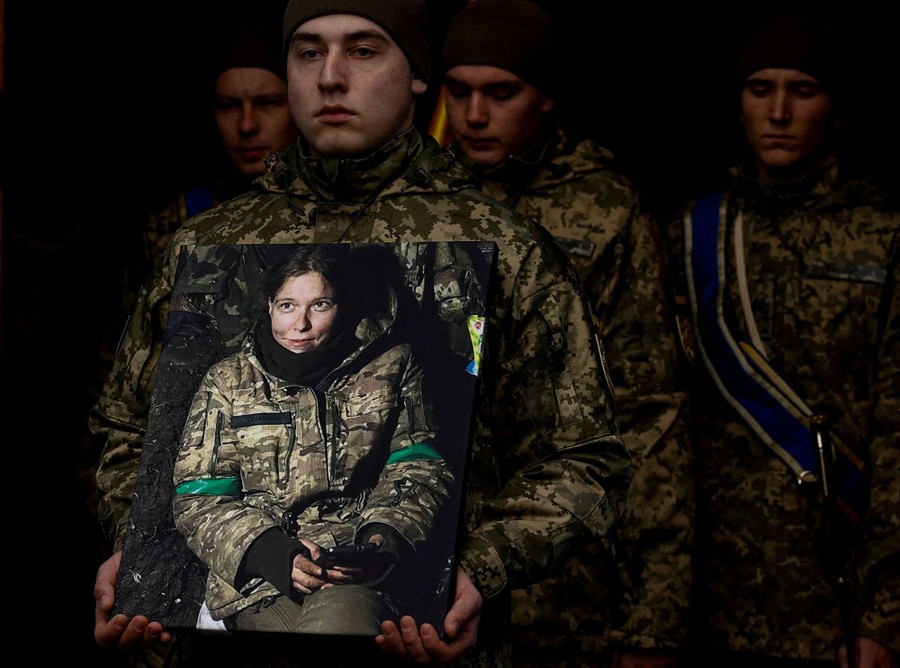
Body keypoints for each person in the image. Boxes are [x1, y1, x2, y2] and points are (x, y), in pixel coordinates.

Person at [91, 1, 633, 665]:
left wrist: (477, 570)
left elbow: (583, 457)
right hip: (226, 615)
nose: (331, 76)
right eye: (309, 52)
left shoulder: (505, 248)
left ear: (416, 76)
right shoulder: (209, 244)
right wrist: (134, 548)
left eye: (364, 50)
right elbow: (126, 429)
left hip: (416, 632)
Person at [439, 1, 693, 666]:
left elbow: (648, 412)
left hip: (566, 580)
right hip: (427, 571)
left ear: (545, 97)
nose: (475, 115)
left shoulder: (604, 208)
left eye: (501, 93)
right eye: (458, 91)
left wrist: (653, 617)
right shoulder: (416, 202)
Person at [665, 14, 899, 668]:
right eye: (760, 88)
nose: (779, 111)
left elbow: (897, 430)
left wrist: (887, 613)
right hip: (708, 598)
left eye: (804, 90)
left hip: (834, 596)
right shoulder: (689, 233)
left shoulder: (883, 236)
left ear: (838, 109)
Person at [172, 244, 454, 636]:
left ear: (342, 306)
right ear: (270, 305)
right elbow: (197, 496)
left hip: (354, 572)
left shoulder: (393, 365)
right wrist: (270, 553)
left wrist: (384, 536)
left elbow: (418, 463)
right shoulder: (228, 381)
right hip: (259, 582)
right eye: (287, 305)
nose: (300, 324)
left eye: (320, 305)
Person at [120, 18, 301, 318]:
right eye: (229, 105)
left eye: (267, 103)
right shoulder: (179, 221)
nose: (246, 125)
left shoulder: (337, 212)